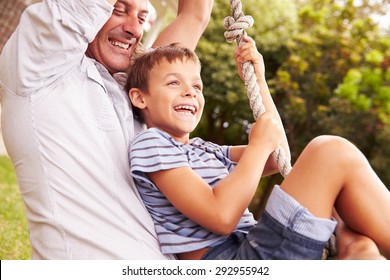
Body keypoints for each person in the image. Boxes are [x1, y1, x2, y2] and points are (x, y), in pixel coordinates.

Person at [125, 37, 390, 260]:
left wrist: (259, 82)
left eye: (196, 85)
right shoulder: (152, 143)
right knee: (330, 153)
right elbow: (221, 216)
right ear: (140, 97)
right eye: (174, 83)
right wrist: (257, 146)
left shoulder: (203, 149)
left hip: (254, 246)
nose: (190, 92)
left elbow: (277, 157)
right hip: (236, 260)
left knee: (360, 244)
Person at [0, 0, 213, 259]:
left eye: (142, 18)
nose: (134, 29)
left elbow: (194, 15)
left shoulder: (137, 94)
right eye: (118, 10)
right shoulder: (39, 67)